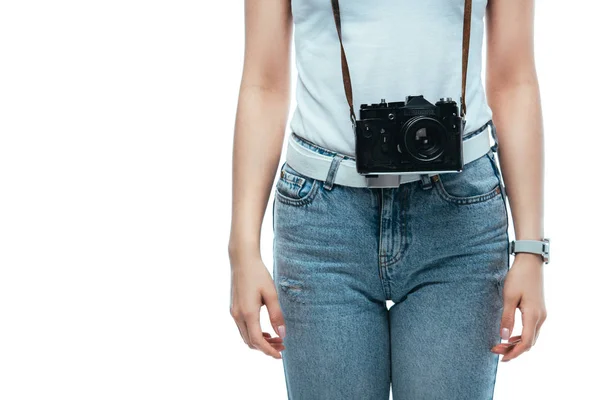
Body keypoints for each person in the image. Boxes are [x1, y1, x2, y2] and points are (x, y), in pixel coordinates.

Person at [228, 0, 547, 398]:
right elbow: (263, 83)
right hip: (323, 223)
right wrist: (242, 250)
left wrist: (531, 250)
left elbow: (514, 79)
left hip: (458, 218)